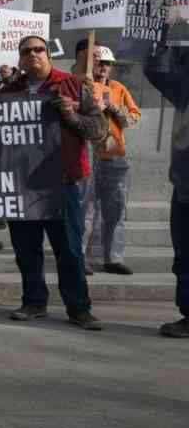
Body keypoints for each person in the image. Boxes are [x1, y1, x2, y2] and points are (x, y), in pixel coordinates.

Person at [0, 34, 106, 330]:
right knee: (26, 248)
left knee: (69, 248)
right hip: (21, 184)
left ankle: (79, 308)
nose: (33, 54)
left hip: (63, 182)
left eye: (39, 49)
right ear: (20, 58)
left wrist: (70, 115)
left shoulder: (74, 84)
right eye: (26, 51)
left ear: (48, 54)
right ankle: (34, 302)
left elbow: (98, 129)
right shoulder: (8, 92)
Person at [78, 44, 139, 276]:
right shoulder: (82, 85)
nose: (103, 67)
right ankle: (80, 257)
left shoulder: (118, 88)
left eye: (107, 63)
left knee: (115, 207)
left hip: (114, 154)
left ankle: (112, 258)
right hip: (87, 153)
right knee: (85, 209)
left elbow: (132, 118)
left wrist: (115, 108)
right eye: (99, 62)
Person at [144, 43, 189, 337]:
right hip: (186, 187)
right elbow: (157, 69)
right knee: (185, 257)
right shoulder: (185, 85)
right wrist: (163, 27)